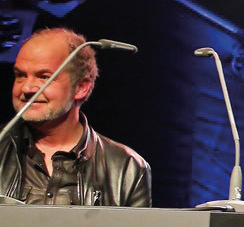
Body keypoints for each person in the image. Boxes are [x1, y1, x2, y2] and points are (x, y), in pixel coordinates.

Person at [0, 26, 151, 206]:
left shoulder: (127, 167)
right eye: (20, 75)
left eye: (44, 77)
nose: (26, 88)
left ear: (81, 87)